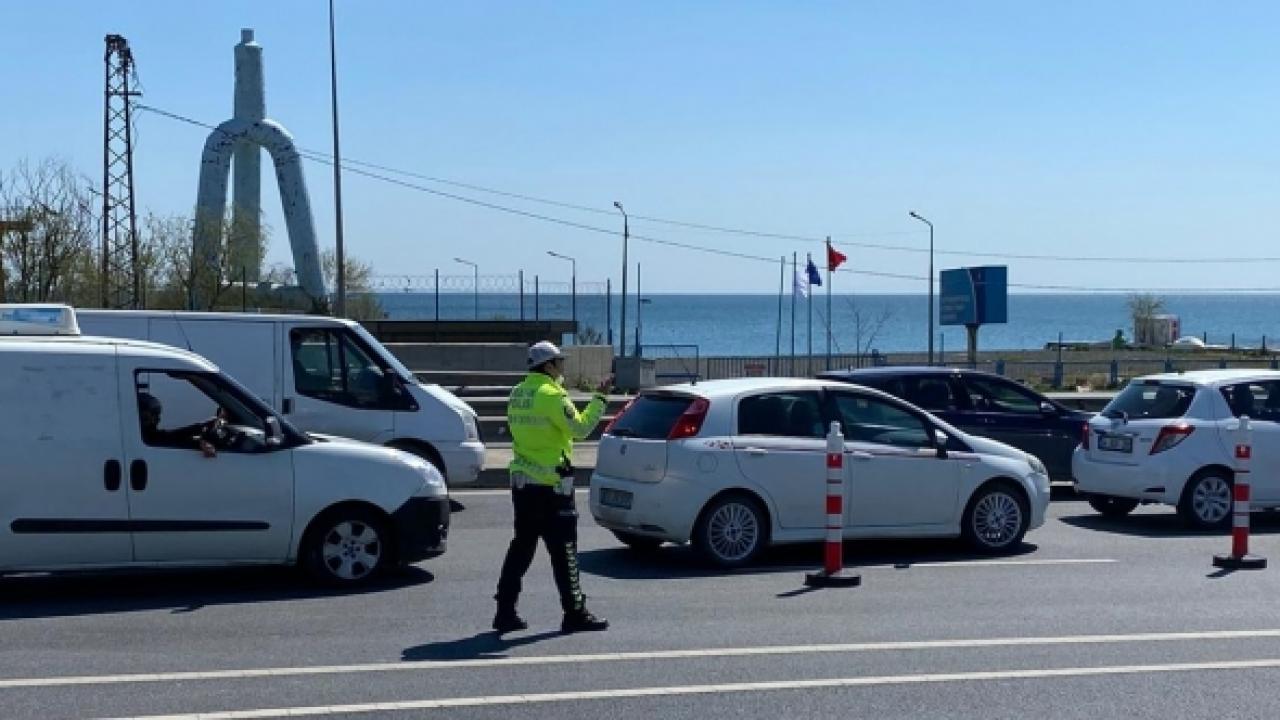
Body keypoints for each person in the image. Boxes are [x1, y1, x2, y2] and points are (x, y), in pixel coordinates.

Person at [493, 341, 612, 634]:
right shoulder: (551, 395)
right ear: (548, 366)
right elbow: (581, 429)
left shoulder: (518, 393)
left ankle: (504, 611)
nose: (563, 366)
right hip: (552, 488)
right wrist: (600, 398)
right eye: (560, 361)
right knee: (565, 552)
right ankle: (575, 613)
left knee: (521, 548)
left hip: (523, 485)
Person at [137, 392, 221, 458]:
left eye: (156, 414)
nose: (156, 419)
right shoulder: (142, 436)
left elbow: (170, 436)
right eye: (151, 414)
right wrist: (198, 442)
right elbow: (164, 439)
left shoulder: (147, 434)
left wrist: (199, 433)